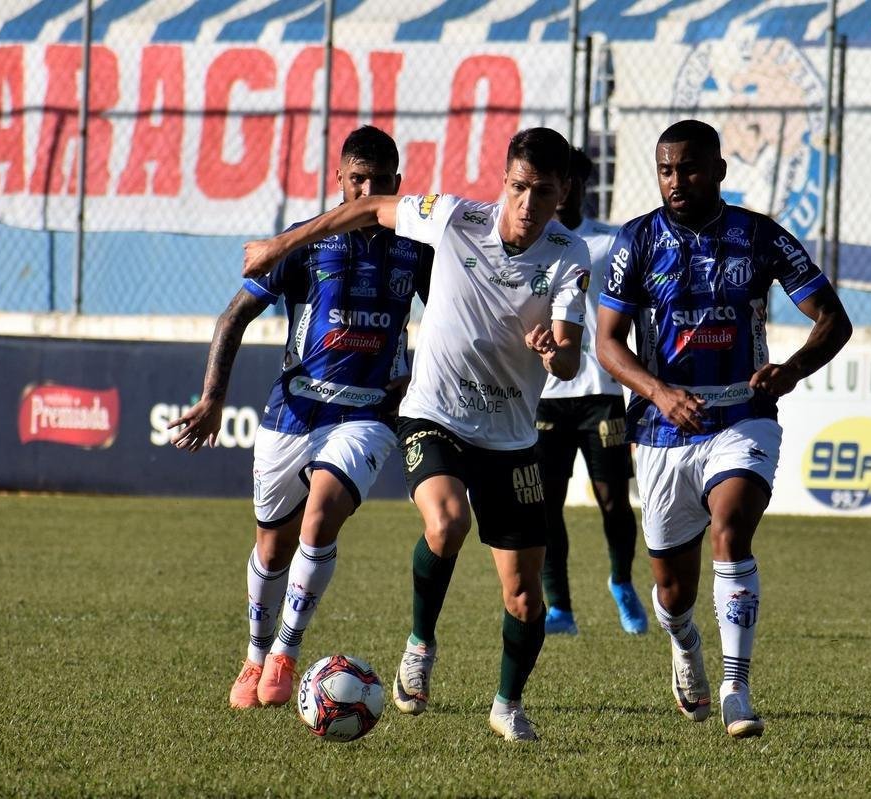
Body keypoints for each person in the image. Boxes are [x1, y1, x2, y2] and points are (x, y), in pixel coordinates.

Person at [242, 127, 588, 742]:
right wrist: (279, 245)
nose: (528, 203)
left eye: (543, 192)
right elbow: (368, 208)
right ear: (504, 180)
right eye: (519, 187)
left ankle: (507, 705)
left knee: (526, 599)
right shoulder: (453, 218)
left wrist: (552, 353)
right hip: (435, 415)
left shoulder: (569, 254)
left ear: (563, 193)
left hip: (510, 436)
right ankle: (420, 645)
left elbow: (568, 355)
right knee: (447, 522)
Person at [595, 119, 851, 738]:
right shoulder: (635, 241)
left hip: (743, 414)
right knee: (672, 591)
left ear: (718, 171)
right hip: (661, 427)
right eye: (665, 170)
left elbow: (833, 320)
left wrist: (788, 371)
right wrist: (658, 392)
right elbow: (606, 343)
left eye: (688, 168)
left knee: (731, 529)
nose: (676, 180)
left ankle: (738, 689)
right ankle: (684, 646)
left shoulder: (758, 236)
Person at [169, 125, 431, 710]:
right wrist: (213, 398)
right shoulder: (305, 244)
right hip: (293, 410)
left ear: (398, 184)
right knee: (271, 546)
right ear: (338, 178)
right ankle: (256, 654)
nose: (366, 190)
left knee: (323, 512)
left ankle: (286, 652)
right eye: (356, 178)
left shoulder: (415, 247)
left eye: (379, 181)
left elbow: (449, 323)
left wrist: (413, 381)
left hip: (367, 414)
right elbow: (234, 316)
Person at [537, 147, 647, 636]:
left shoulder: (609, 241)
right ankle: (559, 606)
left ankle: (621, 581)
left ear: (582, 185)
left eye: (570, 183)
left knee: (613, 500)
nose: (562, 193)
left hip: (601, 392)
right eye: (553, 183)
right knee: (545, 504)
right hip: (542, 393)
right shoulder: (533, 241)